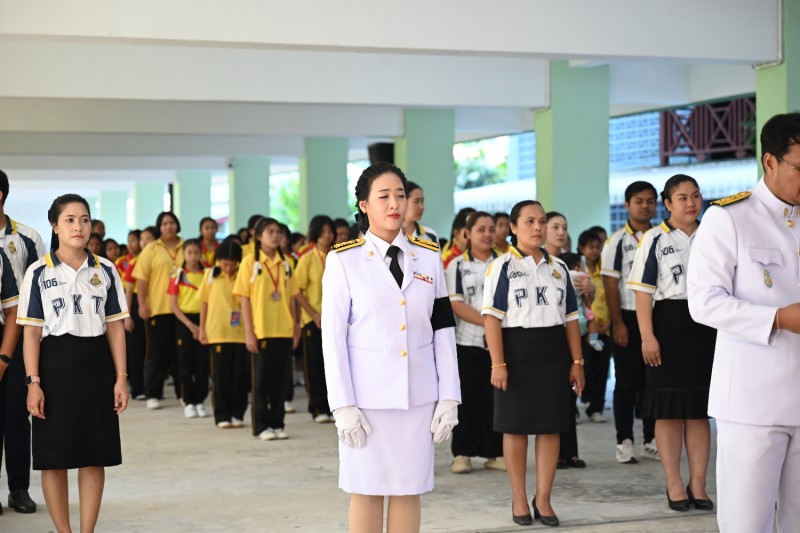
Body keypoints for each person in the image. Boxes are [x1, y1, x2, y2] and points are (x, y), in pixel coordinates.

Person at [322, 162, 460, 533]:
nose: (395, 204)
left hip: (418, 399)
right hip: (366, 403)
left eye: (400, 195)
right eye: (383, 196)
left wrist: (449, 395)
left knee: (409, 489)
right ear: (364, 205)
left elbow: (442, 328)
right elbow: (332, 339)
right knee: (366, 490)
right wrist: (342, 405)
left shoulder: (428, 256)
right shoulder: (343, 260)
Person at [687, 112, 800, 532]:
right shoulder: (730, 217)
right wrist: (778, 318)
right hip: (753, 401)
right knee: (747, 523)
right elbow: (704, 302)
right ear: (770, 161)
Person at [19, 194, 128, 532]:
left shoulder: (105, 269)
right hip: (54, 367)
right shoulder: (38, 272)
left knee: (94, 455)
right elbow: (31, 333)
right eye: (69, 220)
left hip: (96, 365)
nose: (78, 226)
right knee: (54, 458)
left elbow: (115, 327)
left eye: (84, 219)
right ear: (55, 226)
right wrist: (33, 382)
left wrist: (121, 377)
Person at [482, 199, 585, 527]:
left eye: (541, 221)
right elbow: (491, 318)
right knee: (515, 429)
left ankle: (543, 499)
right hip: (516, 352)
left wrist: (577, 361)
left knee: (550, 427)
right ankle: (518, 498)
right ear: (513, 228)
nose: (538, 227)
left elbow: (571, 318)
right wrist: (498, 363)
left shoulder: (560, 268)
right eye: (529, 221)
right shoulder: (502, 266)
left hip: (553, 353)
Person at [627, 174, 715, 513]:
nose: (691, 203)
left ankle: (698, 483)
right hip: (668, 326)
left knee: (698, 411)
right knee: (668, 410)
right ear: (667, 204)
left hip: (707, 327)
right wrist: (647, 336)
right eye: (682, 198)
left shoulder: (713, 233)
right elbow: (642, 293)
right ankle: (674, 483)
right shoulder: (654, 238)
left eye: (696, 196)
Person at [601, 181, 659, 464]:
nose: (645, 206)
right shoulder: (616, 242)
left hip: (657, 318)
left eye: (650, 201)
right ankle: (624, 440)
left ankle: (651, 439)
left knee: (653, 382)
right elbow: (610, 284)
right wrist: (618, 323)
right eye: (639, 201)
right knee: (626, 383)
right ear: (627, 205)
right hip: (627, 316)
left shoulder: (661, 237)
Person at [0, 170, 45, 516]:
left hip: (17, 337)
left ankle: (19, 489)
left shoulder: (27, 238)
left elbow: (41, 289)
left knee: (16, 416)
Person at [445, 211, 504, 474]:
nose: (487, 234)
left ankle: (495, 453)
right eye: (481, 230)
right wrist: (488, 323)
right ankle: (462, 453)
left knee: (496, 400)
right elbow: (456, 304)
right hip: (466, 342)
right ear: (467, 233)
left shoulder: (506, 263)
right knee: (467, 399)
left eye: (491, 229)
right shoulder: (457, 265)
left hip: (498, 344)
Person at [235, 218, 300, 440]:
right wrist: (249, 332)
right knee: (261, 382)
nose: (275, 235)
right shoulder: (249, 263)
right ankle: (261, 426)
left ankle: (277, 423)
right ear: (258, 236)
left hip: (284, 329)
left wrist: (296, 327)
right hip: (261, 330)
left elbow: (292, 298)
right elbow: (244, 299)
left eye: (278, 232)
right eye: (270, 232)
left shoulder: (286, 263)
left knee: (281, 382)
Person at [544, 212, 587, 471]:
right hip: (548, 336)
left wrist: (590, 290)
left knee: (571, 394)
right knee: (552, 398)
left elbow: (585, 299)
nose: (561, 232)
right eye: (555, 227)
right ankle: (555, 454)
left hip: (573, 334)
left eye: (564, 227)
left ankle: (570, 451)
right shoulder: (538, 262)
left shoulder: (570, 263)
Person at [133, 212, 184, 410]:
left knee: (181, 355)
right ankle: (152, 393)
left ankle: (183, 393)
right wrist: (142, 304)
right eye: (164, 224)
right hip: (158, 308)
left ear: (177, 225)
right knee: (157, 353)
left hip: (184, 309)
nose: (169, 226)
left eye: (172, 223)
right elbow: (141, 280)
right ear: (159, 227)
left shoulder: (187, 246)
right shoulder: (151, 249)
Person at [199, 239, 247, 429]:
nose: (228, 268)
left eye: (232, 264)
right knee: (220, 377)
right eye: (224, 263)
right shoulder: (210, 275)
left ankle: (237, 413)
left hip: (240, 333)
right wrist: (202, 328)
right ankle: (222, 414)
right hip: (217, 332)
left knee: (239, 377)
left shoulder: (243, 275)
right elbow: (204, 303)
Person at [294, 215, 335, 423]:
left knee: (332, 365)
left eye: (330, 231)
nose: (327, 236)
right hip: (313, 320)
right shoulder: (307, 258)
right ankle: (318, 407)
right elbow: (297, 291)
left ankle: (332, 406)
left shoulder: (337, 256)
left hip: (335, 319)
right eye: (323, 231)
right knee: (315, 365)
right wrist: (313, 314)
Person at [168, 239, 209, 419]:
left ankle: (200, 401)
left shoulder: (207, 274)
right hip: (184, 321)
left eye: (196, 253)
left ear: (201, 254)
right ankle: (188, 401)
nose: (193, 256)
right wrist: (191, 326)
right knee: (185, 363)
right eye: (189, 253)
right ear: (183, 255)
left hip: (204, 320)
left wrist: (202, 326)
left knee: (202, 363)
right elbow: (174, 305)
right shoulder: (177, 276)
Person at [577, 229, 611, 423]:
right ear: (582, 248)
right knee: (586, 368)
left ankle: (596, 408)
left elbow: (611, 297)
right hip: (585, 330)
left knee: (601, 369)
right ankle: (581, 402)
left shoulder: (604, 270)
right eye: (591, 247)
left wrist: (609, 321)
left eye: (598, 247)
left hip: (604, 328)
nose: (595, 251)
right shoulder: (578, 272)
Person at [123, 227, 156, 401]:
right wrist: (127, 316)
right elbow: (129, 291)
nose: (144, 242)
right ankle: (137, 388)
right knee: (136, 350)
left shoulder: (158, 260)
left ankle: (152, 387)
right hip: (136, 304)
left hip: (155, 304)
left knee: (151, 349)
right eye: (142, 239)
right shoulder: (135, 262)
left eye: (148, 239)